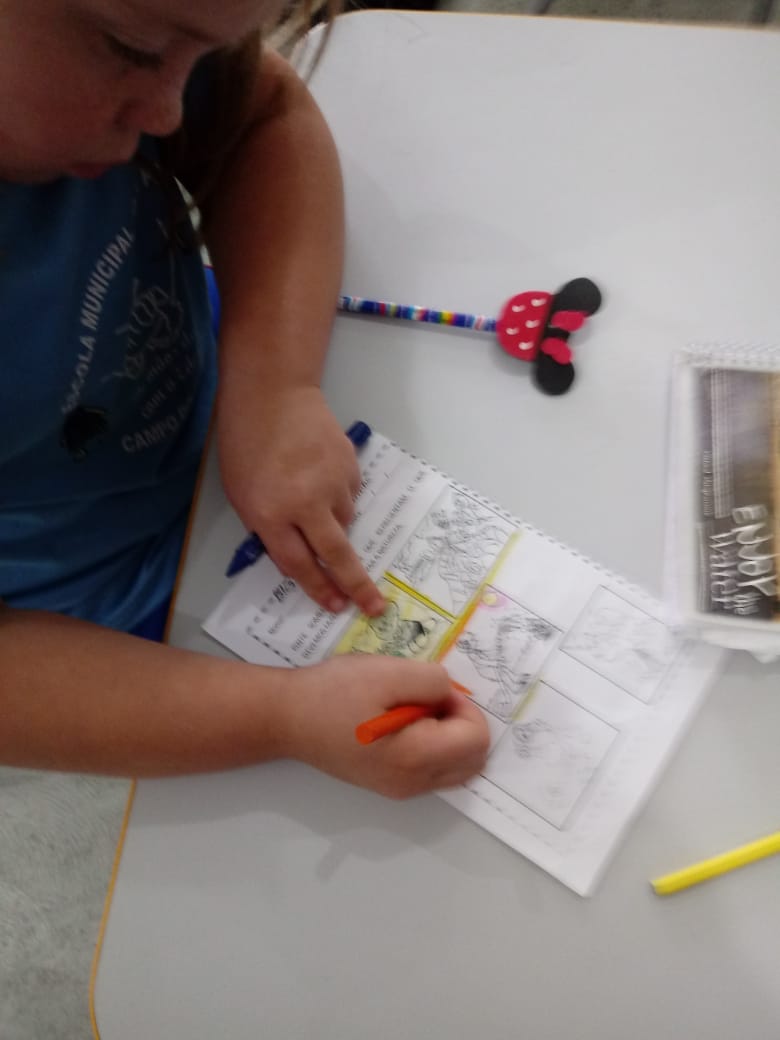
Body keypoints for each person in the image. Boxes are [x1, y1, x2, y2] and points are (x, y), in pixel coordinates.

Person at [0, 0, 489, 798]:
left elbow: (263, 111)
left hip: (237, 409)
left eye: (201, 54)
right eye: (131, 48)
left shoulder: (129, 48)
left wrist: (275, 386)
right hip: (97, 621)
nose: (168, 112)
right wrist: (281, 718)